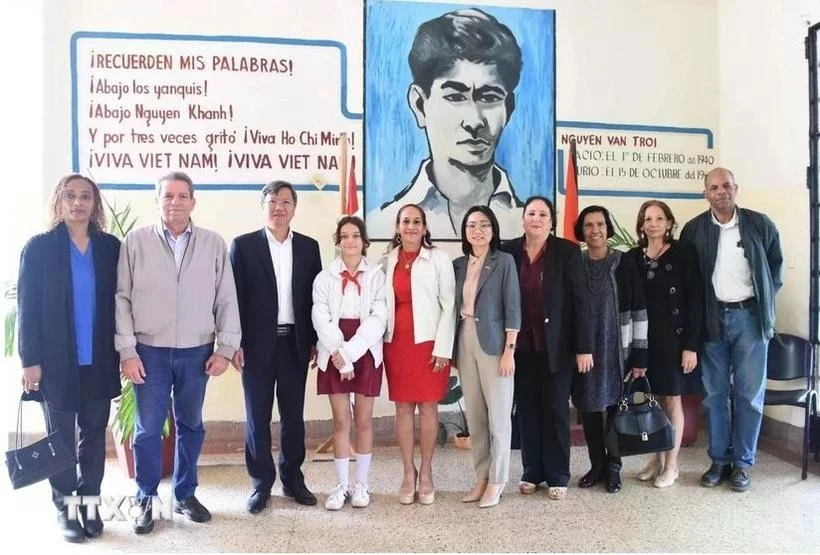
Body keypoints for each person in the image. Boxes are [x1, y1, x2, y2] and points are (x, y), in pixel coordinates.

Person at [115, 171, 241, 534]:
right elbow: (121, 299)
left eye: (182, 195)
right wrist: (127, 350)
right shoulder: (135, 242)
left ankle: (185, 494)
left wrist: (225, 348)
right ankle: (145, 500)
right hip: (148, 352)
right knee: (147, 429)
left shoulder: (213, 244)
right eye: (168, 196)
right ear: (157, 200)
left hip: (196, 352)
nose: (175, 202)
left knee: (191, 425)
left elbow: (226, 298)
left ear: (193, 201)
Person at [17, 174, 120, 542]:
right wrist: (30, 361)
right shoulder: (40, 248)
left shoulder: (111, 247)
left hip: (99, 359)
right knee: (60, 437)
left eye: (86, 197)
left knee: (94, 434)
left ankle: (89, 505)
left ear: (95, 204)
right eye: (70, 196)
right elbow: (27, 309)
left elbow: (121, 304)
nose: (78, 203)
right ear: (59, 202)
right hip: (56, 362)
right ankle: (64, 508)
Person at [367, 8, 524, 240]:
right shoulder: (380, 226)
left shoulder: (528, 227)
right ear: (420, 105)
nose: (474, 121)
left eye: (489, 97)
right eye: (455, 97)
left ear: (508, 108)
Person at [680, 167, 783, 492]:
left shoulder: (759, 223)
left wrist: (764, 302)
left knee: (749, 396)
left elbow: (774, 268)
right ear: (705, 193)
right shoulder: (694, 229)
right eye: (714, 187)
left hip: (750, 319)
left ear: (736, 188)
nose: (721, 191)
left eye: (726, 185)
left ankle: (742, 464)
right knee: (715, 395)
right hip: (712, 320)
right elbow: (689, 281)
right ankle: (719, 461)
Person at [230, 180, 323, 514]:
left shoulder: (310, 248)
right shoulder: (243, 246)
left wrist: (314, 340)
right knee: (257, 417)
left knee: (293, 417)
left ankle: (293, 479)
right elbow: (234, 299)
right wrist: (234, 343)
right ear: (263, 205)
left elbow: (316, 300)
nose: (279, 207)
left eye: (285, 202)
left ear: (294, 208)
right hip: (255, 346)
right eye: (272, 201)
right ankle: (261, 483)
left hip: (295, 343)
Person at [500, 196, 593, 501]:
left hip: (557, 347)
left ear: (551, 221)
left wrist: (583, 348)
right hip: (519, 347)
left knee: (555, 410)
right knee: (527, 410)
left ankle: (557, 474)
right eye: (531, 213)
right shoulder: (509, 250)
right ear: (523, 218)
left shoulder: (567, 252)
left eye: (543, 214)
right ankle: (532, 471)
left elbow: (581, 302)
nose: (536, 218)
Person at [311, 216, 387, 510]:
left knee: (364, 420)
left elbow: (379, 318)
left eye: (356, 235)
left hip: (365, 349)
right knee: (342, 421)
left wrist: (351, 353)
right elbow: (320, 317)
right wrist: (339, 355)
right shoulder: (324, 277)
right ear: (338, 241)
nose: (350, 241)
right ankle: (341, 486)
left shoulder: (377, 276)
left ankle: (361, 486)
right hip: (333, 350)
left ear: (364, 241)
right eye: (344, 236)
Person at [383, 203, 456, 505]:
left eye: (417, 221)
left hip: (429, 345)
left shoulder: (438, 259)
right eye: (405, 221)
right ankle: (407, 473)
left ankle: (426, 472)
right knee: (402, 409)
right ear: (397, 228)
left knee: (427, 408)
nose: (411, 226)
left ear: (425, 227)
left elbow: (449, 305)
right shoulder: (386, 261)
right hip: (396, 344)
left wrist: (443, 348)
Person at [626, 201, 703, 488]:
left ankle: (672, 465)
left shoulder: (684, 253)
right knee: (652, 400)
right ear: (642, 224)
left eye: (660, 218)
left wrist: (691, 346)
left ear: (669, 222)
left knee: (671, 401)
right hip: (645, 341)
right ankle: (655, 460)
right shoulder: (634, 257)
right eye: (648, 218)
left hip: (675, 340)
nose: (654, 223)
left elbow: (696, 301)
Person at [572, 205, 648, 494]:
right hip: (585, 350)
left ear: (608, 228)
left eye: (600, 224)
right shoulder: (575, 263)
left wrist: (640, 354)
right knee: (590, 409)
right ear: (582, 230)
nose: (595, 230)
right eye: (589, 225)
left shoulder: (624, 263)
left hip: (619, 349)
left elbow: (640, 309)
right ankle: (597, 465)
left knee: (617, 409)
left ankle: (614, 467)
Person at [452, 206, 520, 508]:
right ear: (465, 231)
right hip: (465, 340)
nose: (477, 230)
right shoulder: (457, 265)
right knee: (476, 418)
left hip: (495, 345)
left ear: (493, 230)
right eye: (471, 225)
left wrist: (509, 350)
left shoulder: (504, 262)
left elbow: (513, 307)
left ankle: (498, 480)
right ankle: (481, 476)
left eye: (483, 225)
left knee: (499, 418)